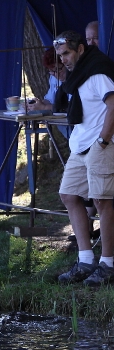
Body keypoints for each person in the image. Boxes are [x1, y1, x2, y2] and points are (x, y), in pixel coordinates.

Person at [54, 30, 114, 286]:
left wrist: (103, 140)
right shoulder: (77, 73)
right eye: (60, 55)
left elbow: (113, 105)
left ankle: (108, 264)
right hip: (80, 145)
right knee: (69, 195)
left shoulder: (98, 71)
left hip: (100, 145)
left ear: (80, 49)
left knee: (102, 201)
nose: (63, 60)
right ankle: (86, 260)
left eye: (66, 53)